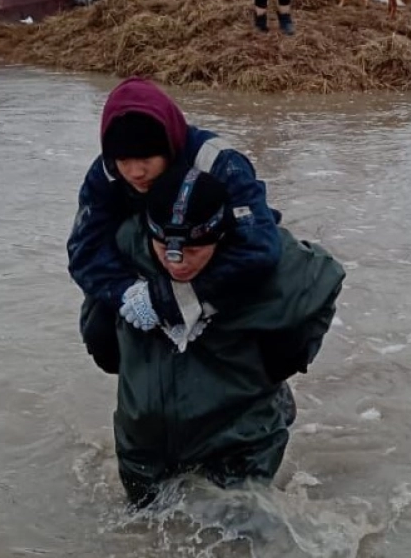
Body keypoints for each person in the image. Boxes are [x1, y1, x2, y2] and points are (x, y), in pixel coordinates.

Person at [94, 163, 345, 505]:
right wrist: (117, 360)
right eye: (164, 247)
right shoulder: (124, 252)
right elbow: (97, 315)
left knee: (245, 525)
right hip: (144, 443)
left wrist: (284, 361)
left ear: (221, 235)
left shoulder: (264, 263)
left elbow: (323, 281)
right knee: (139, 525)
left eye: (193, 251)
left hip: (240, 438)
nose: (177, 262)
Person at [68, 77, 284, 379]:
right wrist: (130, 294)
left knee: (274, 335)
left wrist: (174, 299)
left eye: (146, 158)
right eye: (125, 160)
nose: (136, 172)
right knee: (100, 336)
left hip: (216, 264)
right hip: (146, 266)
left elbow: (259, 246)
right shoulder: (106, 173)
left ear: (168, 147)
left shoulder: (220, 163)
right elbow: (84, 251)